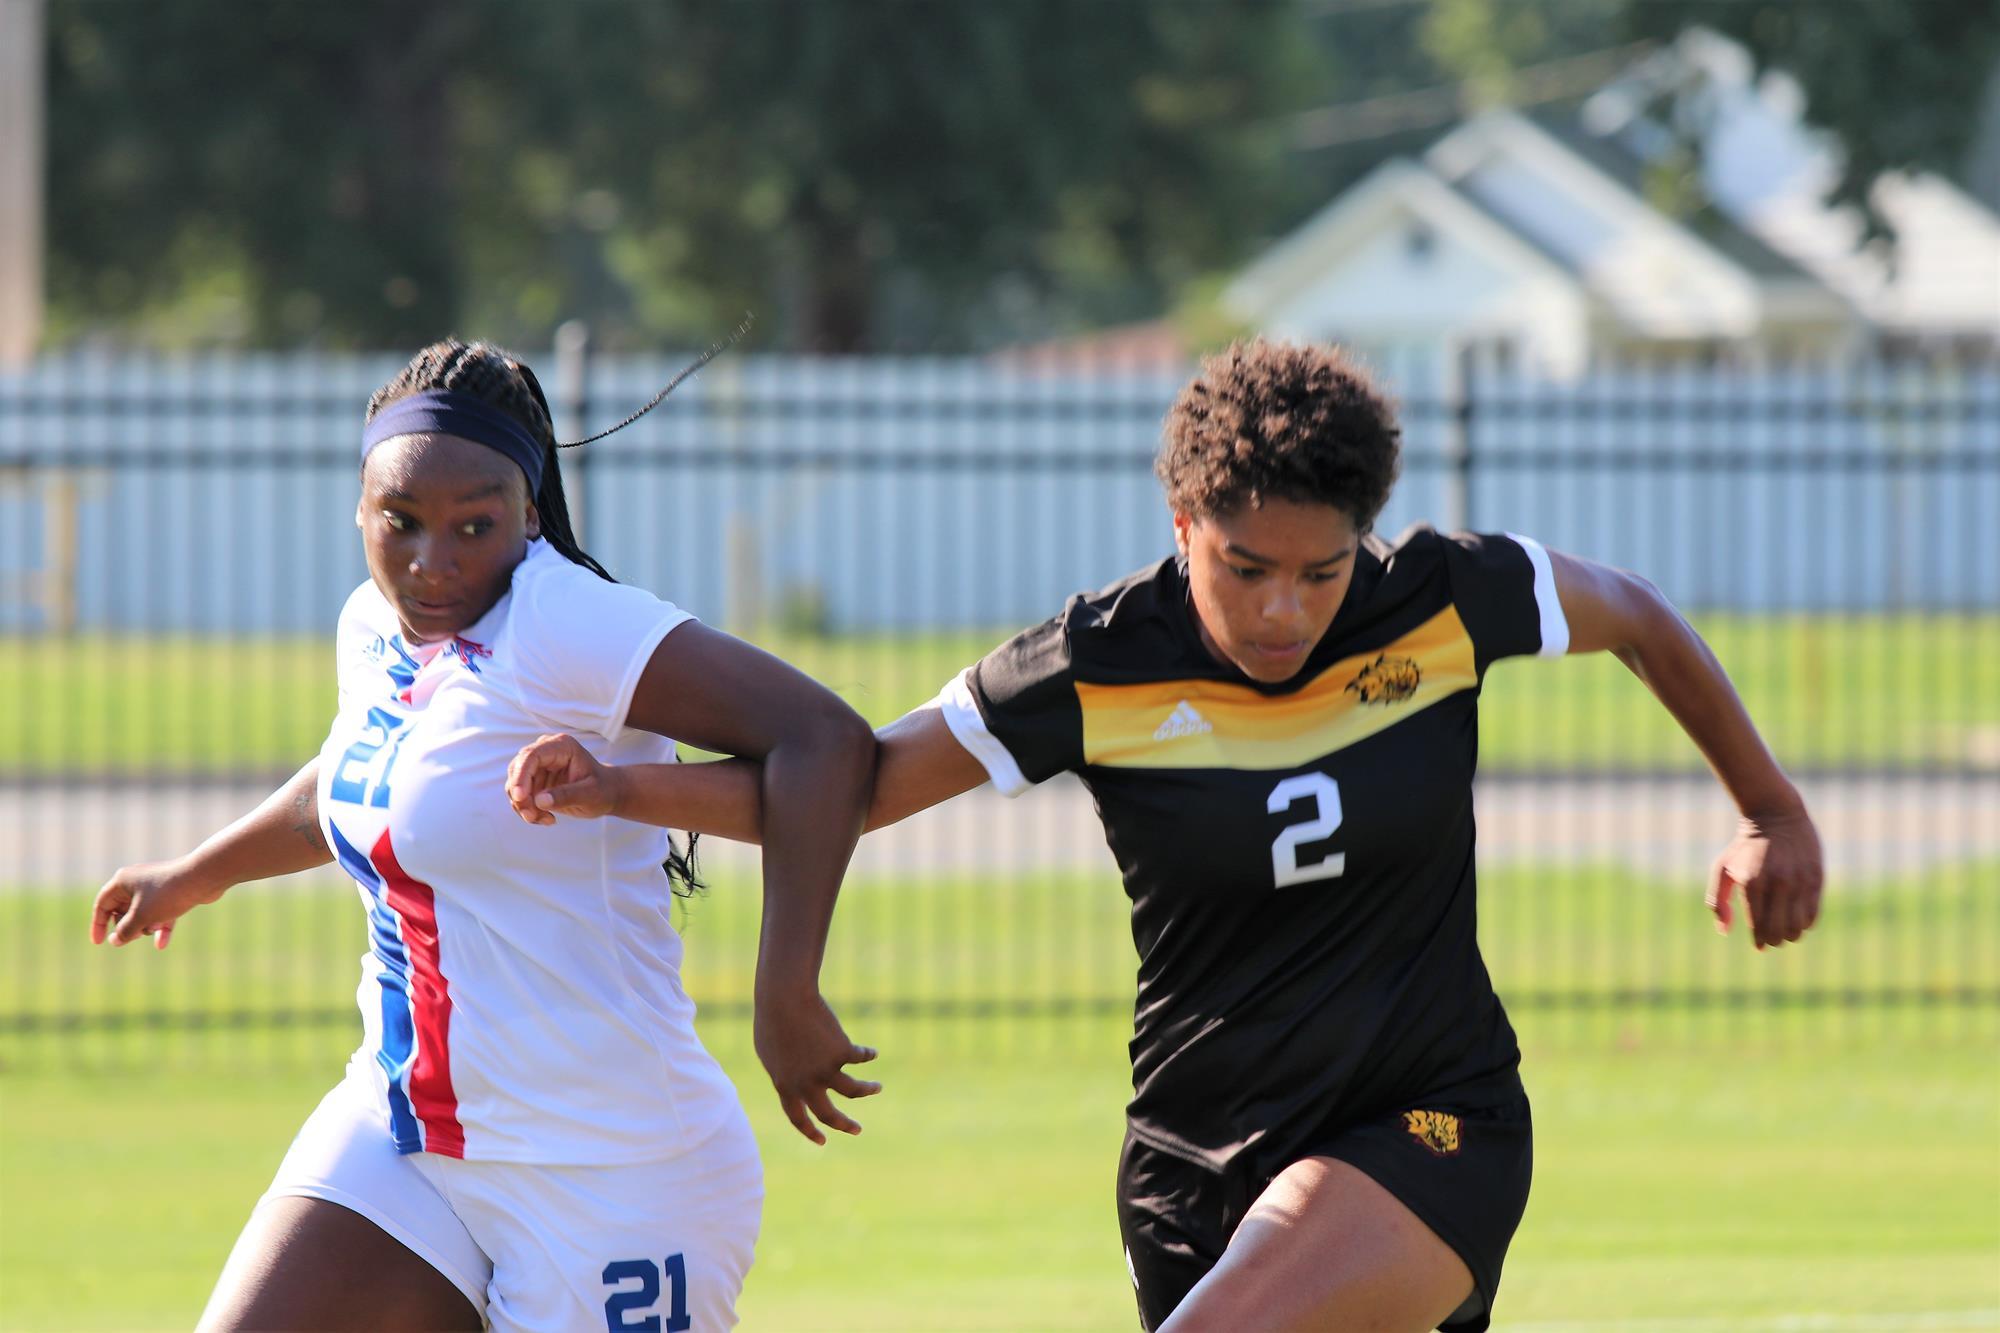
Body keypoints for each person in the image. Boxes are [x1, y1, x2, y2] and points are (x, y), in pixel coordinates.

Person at [504, 339, 1825, 1332]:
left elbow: (1638, 613)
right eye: (1246, 569)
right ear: (1182, 523)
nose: (1285, 611)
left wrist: (1768, 808)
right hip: (1192, 1164)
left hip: (1425, 1125)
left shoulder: (1443, 602)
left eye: (1322, 572)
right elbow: (845, 785)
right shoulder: (1093, 665)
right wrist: (627, 792)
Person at [89, 339, 882, 1332]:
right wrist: (197, 873)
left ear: (530, 513)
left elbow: (824, 740)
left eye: (475, 524)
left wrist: (785, 992)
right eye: (401, 523)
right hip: (404, 1132)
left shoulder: (566, 621)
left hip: (609, 1163)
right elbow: (358, 782)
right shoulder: (371, 628)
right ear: (359, 514)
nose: (434, 560)